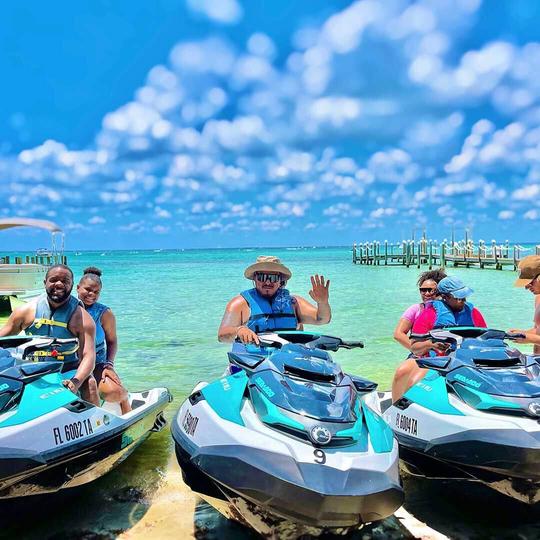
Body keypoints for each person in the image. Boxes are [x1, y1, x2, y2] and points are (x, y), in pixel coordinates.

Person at [0, 264, 99, 404]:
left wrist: (76, 382)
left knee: (90, 384)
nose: (59, 284)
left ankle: (97, 422)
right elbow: (2, 340)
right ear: (44, 282)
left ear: (72, 285)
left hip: (66, 370)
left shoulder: (82, 318)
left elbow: (89, 356)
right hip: (32, 369)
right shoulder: (25, 311)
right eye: (53, 280)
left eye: (65, 281)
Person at [391, 275, 487, 402]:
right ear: (445, 297)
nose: (463, 300)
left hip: (465, 363)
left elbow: (485, 341)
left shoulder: (473, 312)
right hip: (433, 362)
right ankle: (397, 409)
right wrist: (431, 345)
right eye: (458, 297)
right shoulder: (428, 314)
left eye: (464, 296)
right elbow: (414, 347)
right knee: (407, 377)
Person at [218, 255, 331, 344]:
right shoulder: (240, 303)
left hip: (289, 360)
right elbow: (222, 335)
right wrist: (239, 331)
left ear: (280, 280)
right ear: (254, 279)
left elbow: (323, 319)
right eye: (262, 277)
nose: (267, 282)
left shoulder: (294, 303)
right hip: (254, 362)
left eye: (272, 278)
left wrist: (323, 302)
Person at [77, 267, 131, 414]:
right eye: (88, 289)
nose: (91, 295)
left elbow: (112, 341)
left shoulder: (104, 313)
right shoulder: (68, 309)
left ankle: (126, 407)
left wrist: (109, 365)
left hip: (97, 363)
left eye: (96, 292)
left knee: (115, 393)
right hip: (73, 363)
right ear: (77, 288)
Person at [393, 268, 447, 352]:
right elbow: (398, 334)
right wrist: (418, 349)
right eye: (423, 290)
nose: (427, 293)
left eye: (431, 290)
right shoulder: (415, 309)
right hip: (420, 355)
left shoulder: (449, 308)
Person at [509, 255, 540, 352]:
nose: (526, 287)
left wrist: (529, 338)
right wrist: (522, 333)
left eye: (530, 282)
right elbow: (538, 330)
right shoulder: (538, 299)